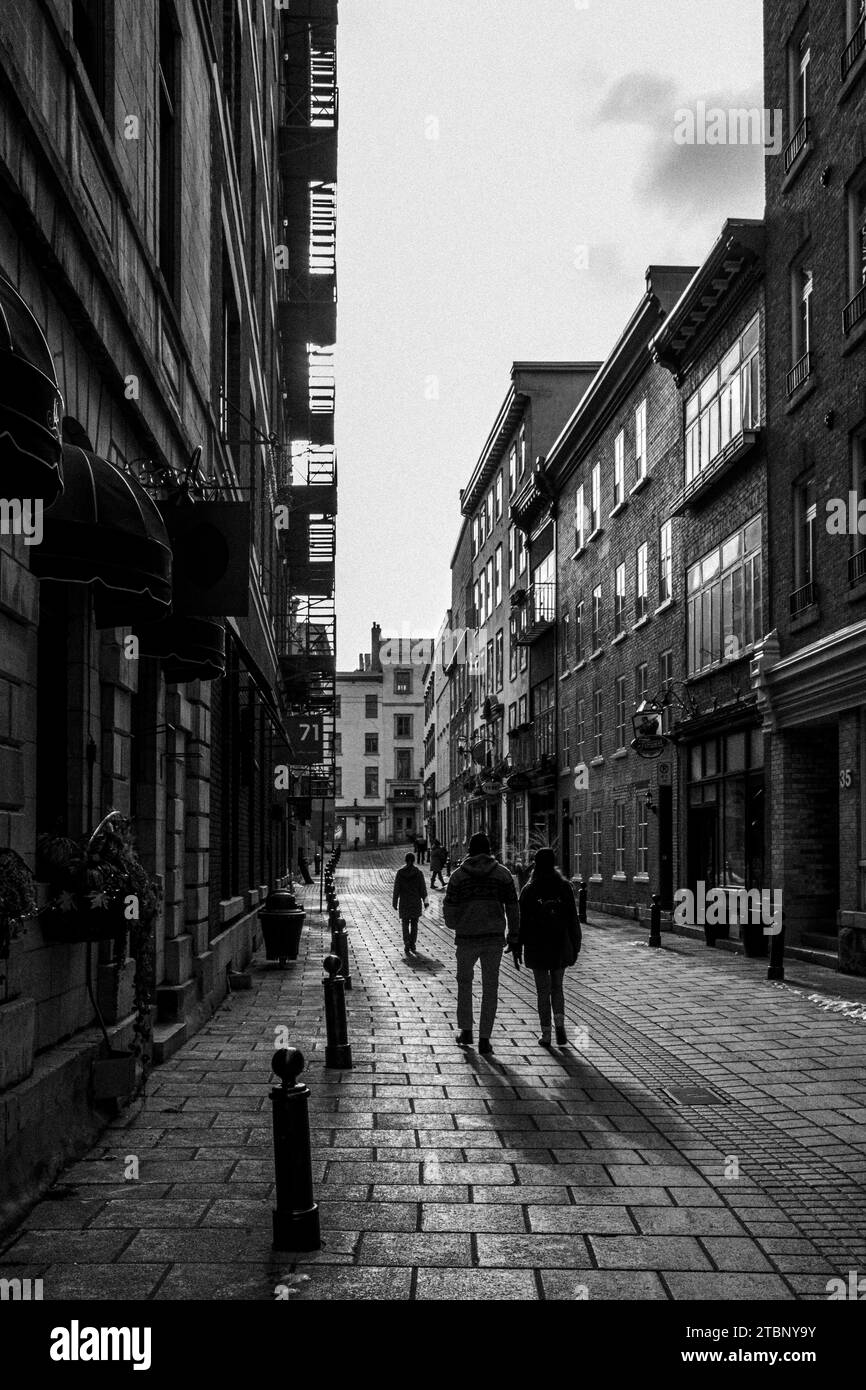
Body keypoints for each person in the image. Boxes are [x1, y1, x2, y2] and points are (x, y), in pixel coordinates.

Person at [443, 832, 520, 1055]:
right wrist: (513, 935)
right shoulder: (503, 875)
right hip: (493, 938)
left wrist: (456, 923)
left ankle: (466, 1030)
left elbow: (449, 909)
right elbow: (513, 907)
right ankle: (485, 1038)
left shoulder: (458, 876)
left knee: (464, 984)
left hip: (467, 938)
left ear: (470, 850)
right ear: (489, 850)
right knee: (490, 988)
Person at [517, 847, 581, 1047]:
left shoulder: (529, 889)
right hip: (560, 942)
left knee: (542, 991)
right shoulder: (565, 887)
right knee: (558, 988)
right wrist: (575, 945)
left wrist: (518, 946)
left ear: (535, 864)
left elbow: (522, 922)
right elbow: (573, 919)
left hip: (537, 945)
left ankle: (546, 1034)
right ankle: (560, 1027)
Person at [392, 853, 429, 956]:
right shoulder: (418, 873)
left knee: (405, 923)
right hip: (415, 902)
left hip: (404, 901)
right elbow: (423, 889)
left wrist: (395, 901)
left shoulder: (400, 873)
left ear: (405, 860)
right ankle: (412, 943)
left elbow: (396, 888)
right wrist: (426, 902)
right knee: (414, 923)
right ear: (413, 860)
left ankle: (406, 941)